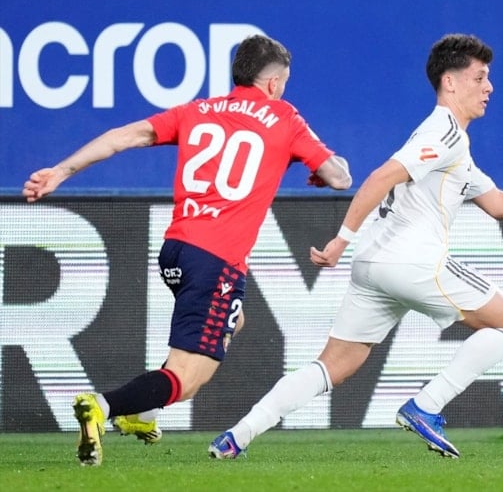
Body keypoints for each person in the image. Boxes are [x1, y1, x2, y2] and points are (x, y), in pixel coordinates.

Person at [208, 33, 503, 460]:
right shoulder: (445, 133)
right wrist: (341, 239)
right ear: (450, 82)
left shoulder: (450, 143)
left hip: (374, 265)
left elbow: (499, 204)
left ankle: (237, 436)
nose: (489, 87)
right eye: (480, 77)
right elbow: (381, 176)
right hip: (413, 262)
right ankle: (426, 406)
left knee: (333, 365)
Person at [22, 34, 352, 466]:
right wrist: (320, 169)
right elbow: (341, 177)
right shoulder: (283, 116)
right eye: (284, 83)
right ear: (274, 83)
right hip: (217, 260)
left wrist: (61, 171)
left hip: (176, 251)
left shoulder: (198, 111)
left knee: (233, 318)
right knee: (189, 377)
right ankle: (101, 407)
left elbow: (124, 136)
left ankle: (143, 412)